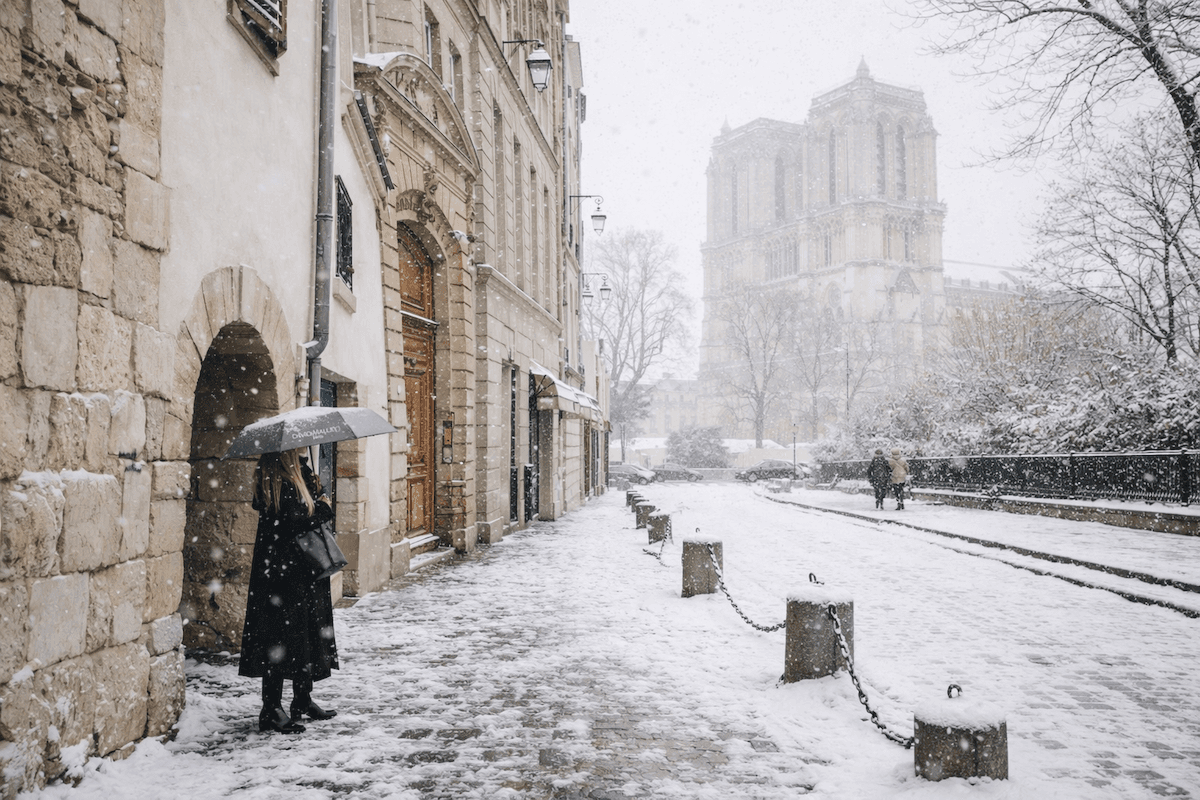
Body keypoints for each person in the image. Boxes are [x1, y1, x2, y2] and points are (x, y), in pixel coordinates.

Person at [239, 448, 339, 734]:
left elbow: (299, 514)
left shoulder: (293, 477)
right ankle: (271, 709)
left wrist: (312, 484)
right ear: (283, 455)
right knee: (279, 640)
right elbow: (295, 521)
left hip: (298, 573)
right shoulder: (276, 483)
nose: (300, 451)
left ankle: (301, 700)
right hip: (283, 577)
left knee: (303, 634)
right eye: (295, 449)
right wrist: (322, 507)